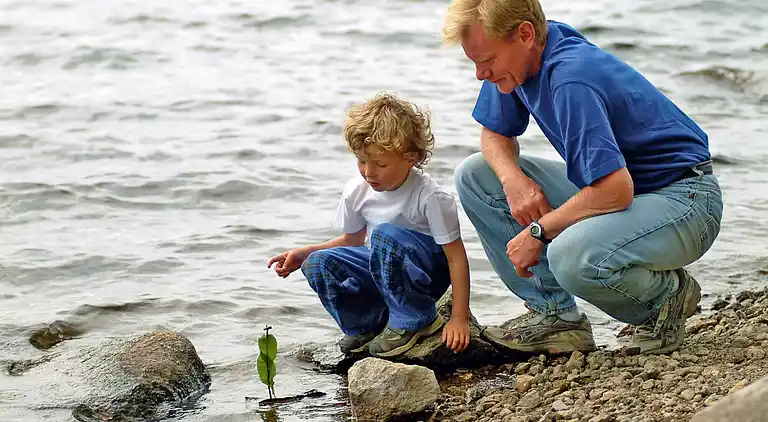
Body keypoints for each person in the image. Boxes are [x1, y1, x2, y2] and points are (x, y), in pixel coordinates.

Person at [440, 0, 723, 355]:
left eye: (487, 61)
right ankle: (556, 317)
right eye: (475, 62)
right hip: (626, 190)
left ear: (524, 34)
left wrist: (538, 232)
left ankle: (666, 299)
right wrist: (513, 179)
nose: (481, 74)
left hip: (686, 199)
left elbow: (615, 191)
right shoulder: (526, 55)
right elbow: (493, 135)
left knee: (570, 257)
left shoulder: (570, 78)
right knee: (475, 175)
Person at [267, 92, 472, 357]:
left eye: (380, 164)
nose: (368, 172)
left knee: (384, 236)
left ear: (410, 157)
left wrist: (459, 318)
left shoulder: (431, 197)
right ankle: (367, 325)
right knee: (318, 263)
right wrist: (304, 253)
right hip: (383, 266)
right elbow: (352, 242)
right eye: (362, 161)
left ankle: (416, 319)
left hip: (426, 273)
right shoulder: (357, 191)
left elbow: (456, 259)